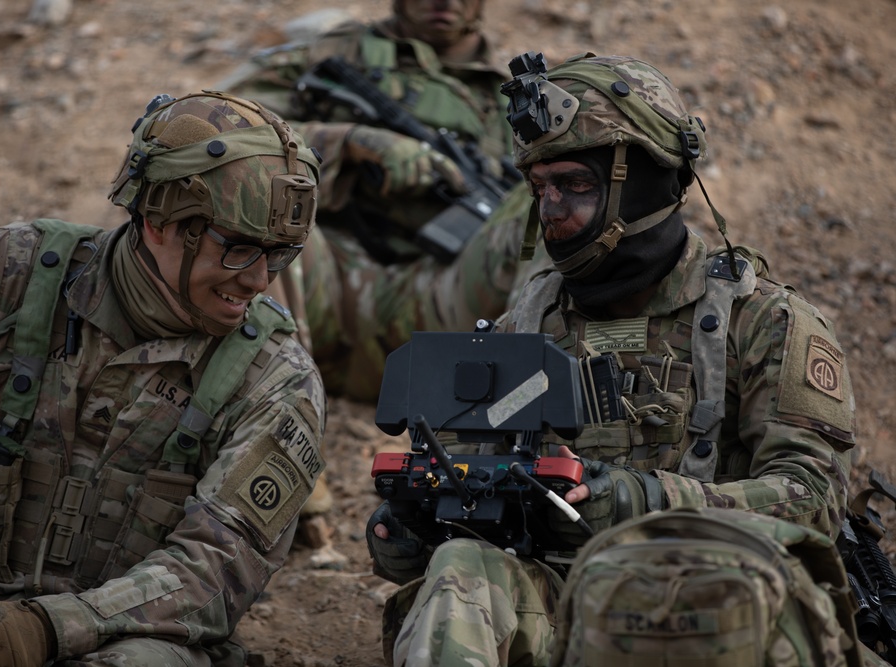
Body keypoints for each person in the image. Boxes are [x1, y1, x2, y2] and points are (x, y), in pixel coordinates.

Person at [366, 53, 861, 666]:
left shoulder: (763, 321)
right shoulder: (532, 318)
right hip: (561, 606)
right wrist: (420, 523)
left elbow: (812, 500)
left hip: (706, 601)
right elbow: (485, 482)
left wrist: (638, 501)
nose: (549, 211)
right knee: (459, 568)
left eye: (575, 185)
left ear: (644, 184)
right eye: (539, 189)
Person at [0, 91, 326, 666]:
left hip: (128, 638)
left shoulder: (275, 378)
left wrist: (45, 629)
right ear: (158, 221)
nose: (257, 281)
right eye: (241, 249)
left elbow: (215, 570)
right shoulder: (14, 273)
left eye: (278, 256)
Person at [217, 0, 548, 401]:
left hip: (442, 309)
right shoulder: (332, 53)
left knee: (550, 209)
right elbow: (216, 128)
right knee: (252, 186)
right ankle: (260, 416)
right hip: (322, 284)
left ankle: (528, 425)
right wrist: (352, 142)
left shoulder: (515, 103)